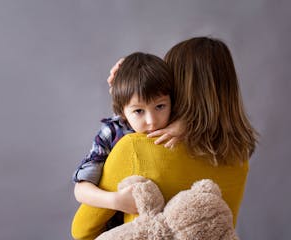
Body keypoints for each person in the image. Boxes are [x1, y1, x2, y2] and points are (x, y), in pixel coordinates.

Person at [71, 37, 258, 240]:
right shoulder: (239, 154)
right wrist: (132, 72)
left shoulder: (135, 147)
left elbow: (82, 230)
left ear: (175, 87)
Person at [72, 52, 175, 225]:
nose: (152, 121)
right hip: (119, 227)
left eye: (160, 106)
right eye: (138, 111)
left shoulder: (174, 125)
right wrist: (116, 201)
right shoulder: (112, 132)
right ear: (122, 111)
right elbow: (80, 190)